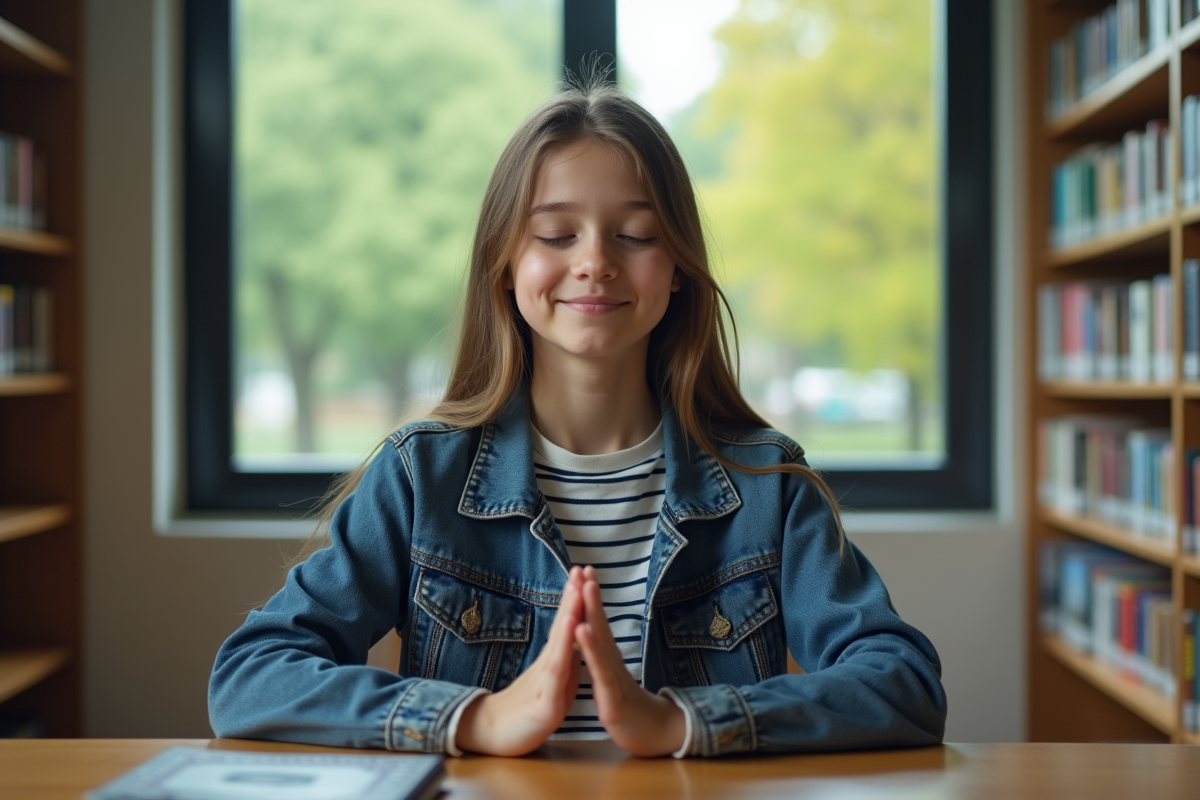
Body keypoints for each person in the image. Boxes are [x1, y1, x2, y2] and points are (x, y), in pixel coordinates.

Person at [208, 80, 947, 759]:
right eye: (556, 235)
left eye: (635, 234)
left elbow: (904, 685)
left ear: (679, 265)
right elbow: (249, 677)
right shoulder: (418, 477)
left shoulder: (768, 485)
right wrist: (476, 718)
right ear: (504, 262)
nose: (595, 261)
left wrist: (682, 723)